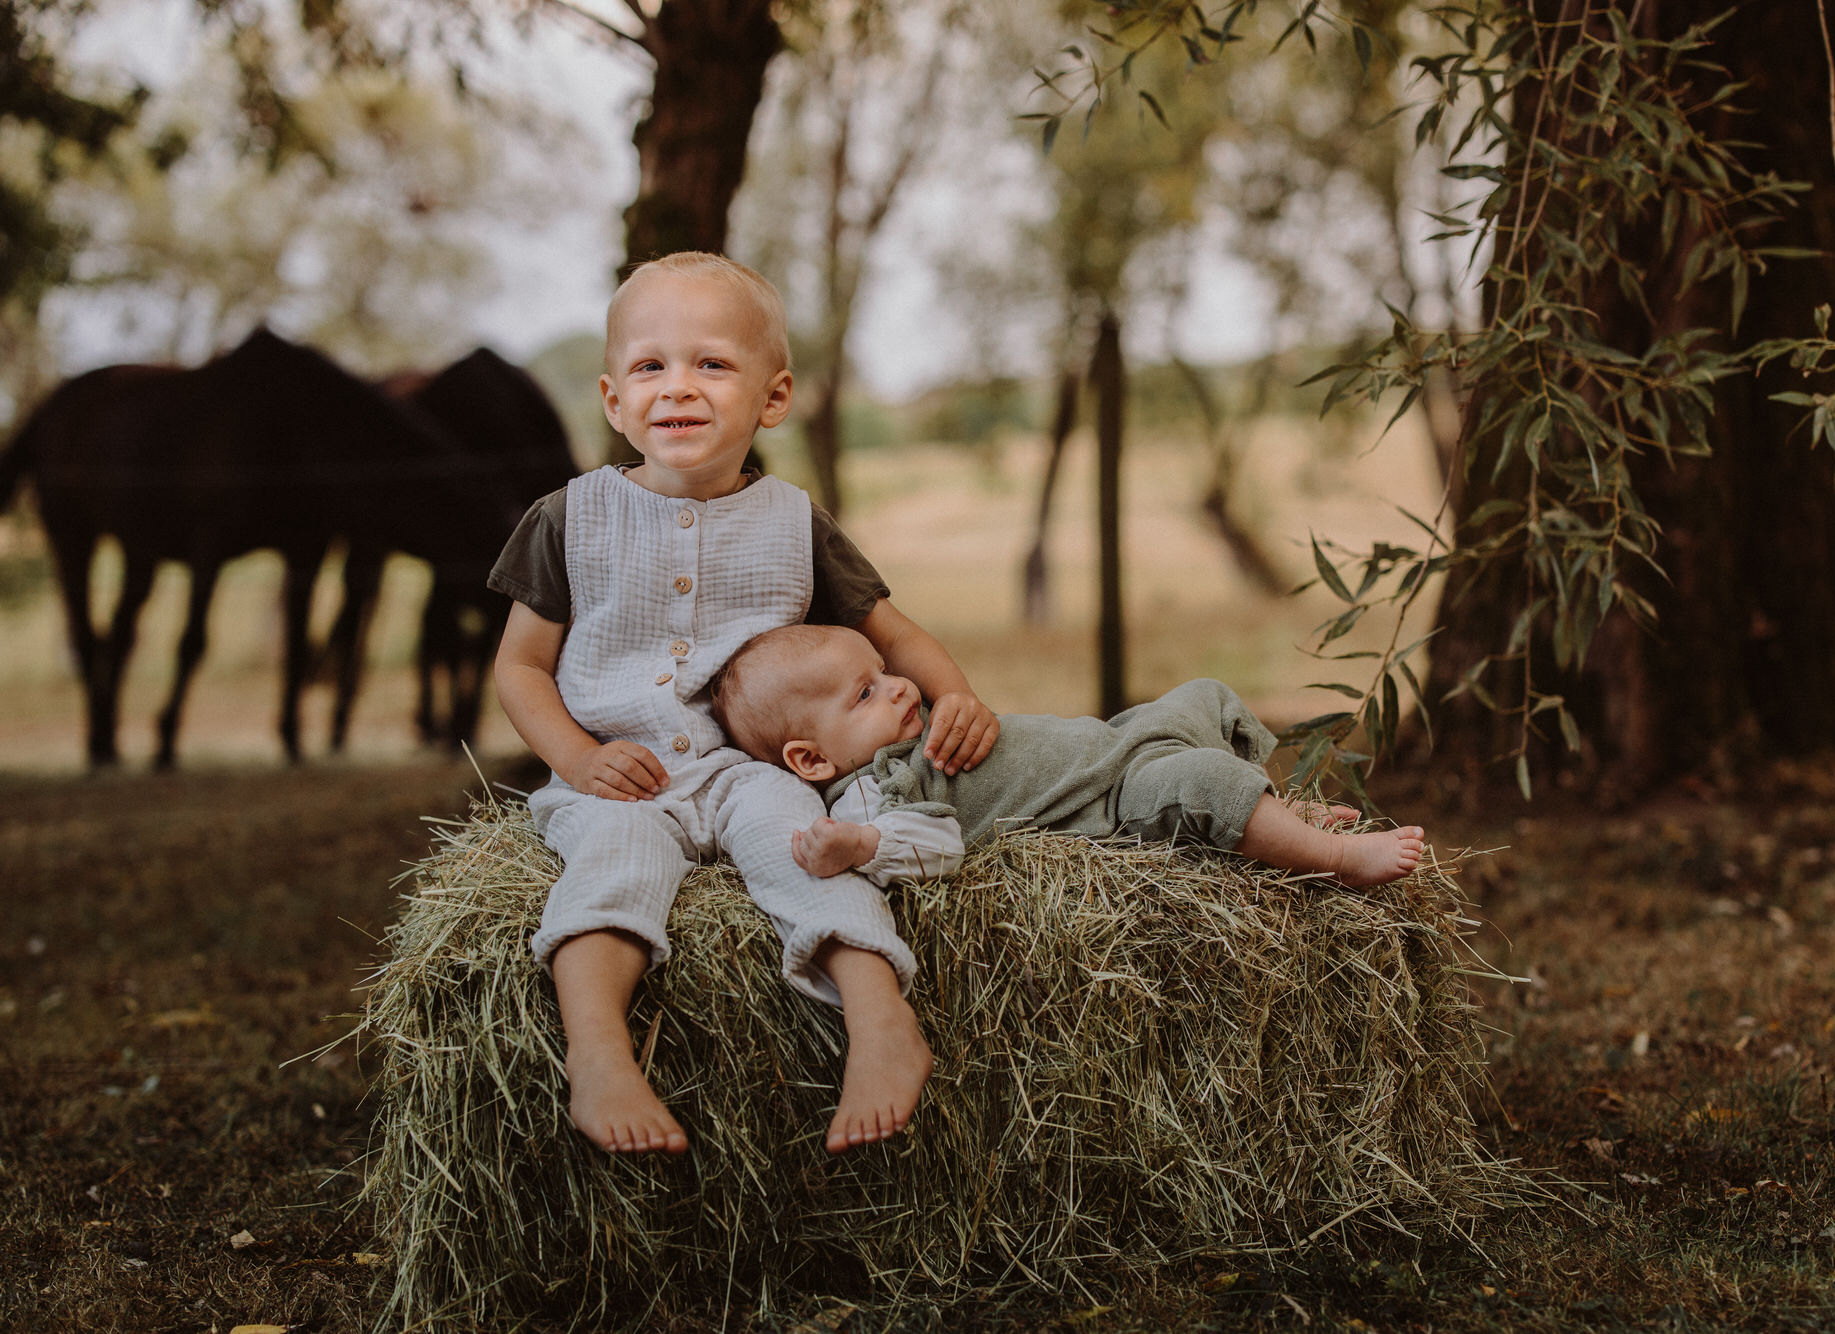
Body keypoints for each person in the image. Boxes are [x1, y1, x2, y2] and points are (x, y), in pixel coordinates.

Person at [489, 253, 999, 1158]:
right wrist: (577, 760)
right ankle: (599, 1054)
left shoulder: (795, 522)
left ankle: (882, 1025)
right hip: (622, 774)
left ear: (772, 398)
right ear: (613, 400)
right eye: (650, 366)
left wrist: (955, 696)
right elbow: (522, 668)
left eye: (712, 364)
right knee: (611, 863)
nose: (677, 387)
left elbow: (898, 633)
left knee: (806, 844)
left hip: (744, 770)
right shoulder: (569, 518)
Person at [709, 624, 1426, 890]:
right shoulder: (875, 792)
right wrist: (861, 846)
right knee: (1202, 781)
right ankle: (1336, 860)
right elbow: (932, 846)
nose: (900, 687)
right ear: (809, 761)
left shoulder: (911, 728)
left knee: (1205, 693)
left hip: (1119, 738)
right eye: (865, 693)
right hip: (1116, 797)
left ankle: (1277, 810)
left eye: (884, 671)